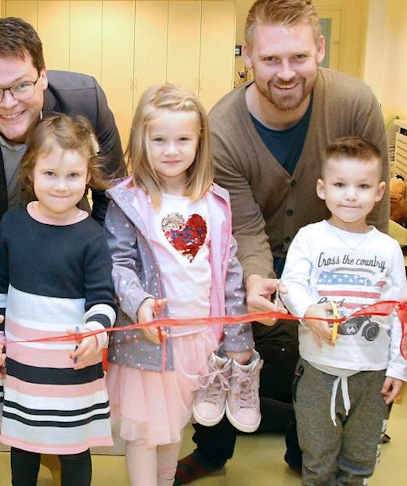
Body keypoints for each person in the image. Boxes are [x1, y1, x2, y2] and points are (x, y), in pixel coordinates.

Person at [176, 0, 389, 481]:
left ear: (320, 49)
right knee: (225, 340)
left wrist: (368, 270)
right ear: (248, 56)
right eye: (271, 59)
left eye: (299, 57)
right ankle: (212, 449)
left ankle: (303, 450)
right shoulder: (223, 128)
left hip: (341, 250)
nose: (286, 73)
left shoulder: (355, 103)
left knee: (322, 353)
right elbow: (243, 226)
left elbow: (375, 201)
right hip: (254, 253)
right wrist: (257, 280)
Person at [0, 17, 126, 482]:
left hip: (73, 262)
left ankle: (61, 447)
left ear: (43, 76)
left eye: (21, 85)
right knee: (6, 378)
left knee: (65, 391)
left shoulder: (86, 101)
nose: (8, 102)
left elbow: (112, 195)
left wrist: (90, 265)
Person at [104, 85, 259, 486]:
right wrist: (139, 304)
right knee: (144, 433)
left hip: (199, 338)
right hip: (150, 340)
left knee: (174, 427)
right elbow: (118, 264)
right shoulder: (128, 201)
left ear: (199, 141)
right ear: (142, 140)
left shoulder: (214, 201)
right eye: (159, 140)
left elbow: (230, 273)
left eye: (183, 140)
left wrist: (237, 338)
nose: (171, 151)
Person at [0, 114, 115, 486]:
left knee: (74, 449)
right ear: (30, 171)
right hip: (23, 365)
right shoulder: (12, 224)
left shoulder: (91, 236)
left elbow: (103, 300)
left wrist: (95, 334)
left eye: (73, 175)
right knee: (23, 444)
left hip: (73, 367)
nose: (61, 186)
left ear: (87, 177)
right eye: (50, 174)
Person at [279, 136, 407, 484]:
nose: (351, 195)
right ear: (322, 189)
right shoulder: (309, 238)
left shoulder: (388, 249)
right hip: (317, 371)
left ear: (379, 192)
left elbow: (400, 313)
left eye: (362, 186)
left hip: (372, 375)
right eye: (340, 185)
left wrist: (398, 368)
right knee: (317, 459)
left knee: (360, 460)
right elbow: (291, 286)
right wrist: (309, 310)